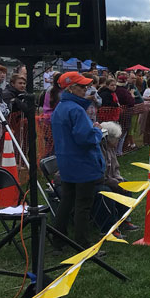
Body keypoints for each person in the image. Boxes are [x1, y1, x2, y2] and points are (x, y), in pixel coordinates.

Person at [51, 71, 105, 251]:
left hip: (67, 163)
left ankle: (58, 240)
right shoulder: (75, 110)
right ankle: (83, 244)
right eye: (82, 87)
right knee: (83, 205)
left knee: (66, 202)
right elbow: (86, 138)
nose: (86, 89)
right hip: (83, 163)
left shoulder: (60, 107)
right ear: (71, 88)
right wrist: (97, 131)